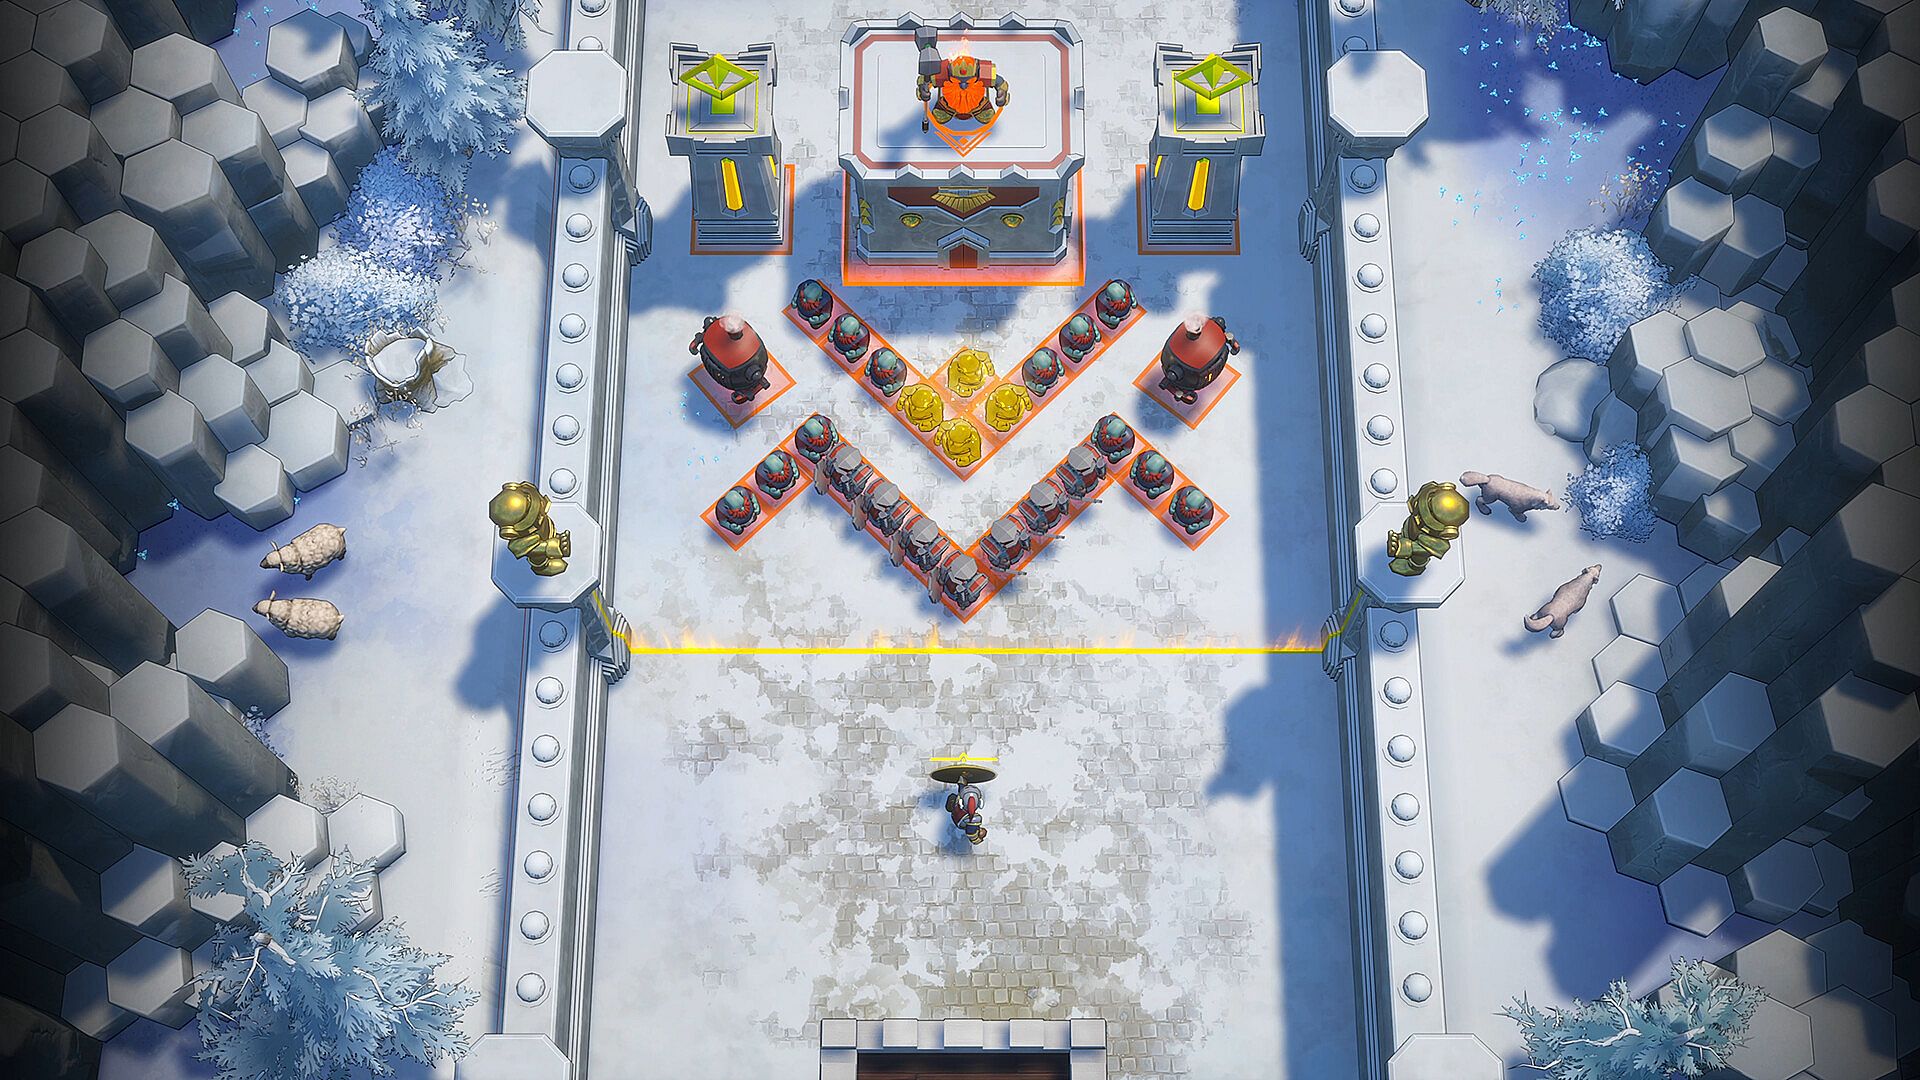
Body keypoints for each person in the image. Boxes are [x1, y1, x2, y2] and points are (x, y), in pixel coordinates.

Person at [918, 53, 1010, 125]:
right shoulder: (944, 71)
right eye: (957, 81)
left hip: (979, 107)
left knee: (987, 116)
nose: (963, 85)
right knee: (939, 116)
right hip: (948, 107)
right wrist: (923, 88)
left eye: (968, 81)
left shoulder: (982, 71)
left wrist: (1002, 93)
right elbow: (925, 78)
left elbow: (1000, 83)